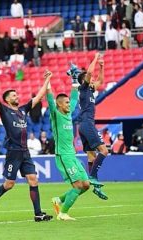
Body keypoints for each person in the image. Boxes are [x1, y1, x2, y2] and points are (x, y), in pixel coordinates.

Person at [0, 70, 52, 222]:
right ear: (7, 99)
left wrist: (47, 80)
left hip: (25, 152)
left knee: (33, 180)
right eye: (13, 95)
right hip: (13, 153)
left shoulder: (23, 110)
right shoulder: (5, 110)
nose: (17, 96)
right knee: (9, 184)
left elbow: (39, 96)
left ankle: (38, 213)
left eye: (17, 94)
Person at [45, 69, 90, 221]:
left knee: (86, 185)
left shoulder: (68, 114)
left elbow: (75, 97)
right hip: (63, 156)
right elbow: (50, 100)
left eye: (68, 103)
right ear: (59, 105)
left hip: (72, 155)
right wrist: (48, 82)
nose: (69, 105)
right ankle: (63, 213)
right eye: (66, 103)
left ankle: (58, 200)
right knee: (77, 185)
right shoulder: (56, 115)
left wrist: (75, 79)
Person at [75, 53, 108, 200]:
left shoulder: (90, 91)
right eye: (91, 79)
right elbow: (89, 73)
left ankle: (95, 186)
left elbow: (100, 80)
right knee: (104, 150)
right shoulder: (83, 89)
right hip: (87, 123)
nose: (94, 80)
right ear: (84, 81)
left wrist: (102, 66)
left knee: (91, 155)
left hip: (83, 125)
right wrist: (95, 58)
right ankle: (93, 176)